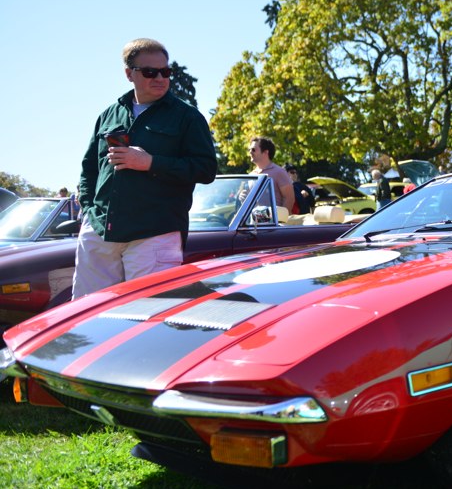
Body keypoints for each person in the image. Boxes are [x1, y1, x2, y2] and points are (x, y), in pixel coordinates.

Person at [72, 38, 217, 298]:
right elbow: (88, 169)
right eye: (150, 72)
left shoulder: (188, 117)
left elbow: (205, 169)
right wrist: (89, 211)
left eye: (165, 71)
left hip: (154, 235)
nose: (160, 78)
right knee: (89, 318)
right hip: (100, 231)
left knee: (150, 319)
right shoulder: (108, 115)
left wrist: (150, 162)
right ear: (130, 74)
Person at [248, 137, 295, 213]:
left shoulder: (279, 172)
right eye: (249, 150)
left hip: (274, 223)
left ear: (266, 152)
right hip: (255, 223)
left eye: (253, 149)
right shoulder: (251, 175)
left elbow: (289, 198)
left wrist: (280, 220)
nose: (250, 152)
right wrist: (242, 197)